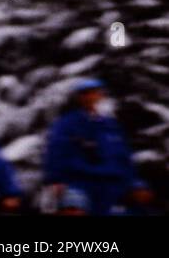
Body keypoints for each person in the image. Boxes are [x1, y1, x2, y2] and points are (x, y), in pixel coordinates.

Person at [43, 78, 136, 216]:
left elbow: (123, 155)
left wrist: (131, 181)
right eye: (86, 93)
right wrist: (55, 180)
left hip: (112, 183)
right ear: (78, 97)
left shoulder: (109, 124)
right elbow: (55, 152)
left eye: (95, 93)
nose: (91, 97)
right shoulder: (66, 123)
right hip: (79, 181)